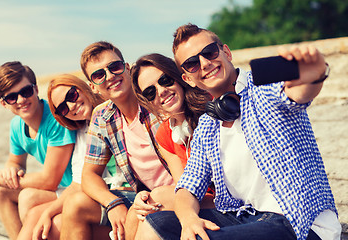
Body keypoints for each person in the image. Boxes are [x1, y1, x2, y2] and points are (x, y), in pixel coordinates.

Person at [144, 23, 342, 240]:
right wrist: (189, 219)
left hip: (299, 222)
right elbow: (187, 188)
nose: (204, 63)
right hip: (248, 218)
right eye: (191, 64)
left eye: (209, 52)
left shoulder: (263, 89)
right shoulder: (207, 128)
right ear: (188, 79)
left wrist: (315, 75)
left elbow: (299, 93)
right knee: (157, 222)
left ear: (226, 52)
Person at [59, 41, 174, 240]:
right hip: (145, 196)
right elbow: (89, 176)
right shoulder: (102, 116)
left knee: (134, 217)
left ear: (127, 68)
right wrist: (112, 203)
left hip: (177, 193)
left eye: (114, 67)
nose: (110, 76)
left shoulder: (155, 97)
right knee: (76, 204)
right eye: (98, 75)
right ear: (93, 87)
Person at [16, 74, 128, 240]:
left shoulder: (114, 113)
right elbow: (78, 183)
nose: (71, 106)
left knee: (59, 222)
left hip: (122, 195)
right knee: (36, 214)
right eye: (63, 108)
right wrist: (48, 212)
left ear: (83, 87)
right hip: (104, 196)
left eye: (72, 95)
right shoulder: (84, 130)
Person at [130, 53, 214, 239]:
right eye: (150, 92)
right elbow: (183, 185)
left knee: (155, 199)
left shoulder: (213, 107)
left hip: (229, 199)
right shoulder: (166, 133)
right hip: (196, 200)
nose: (161, 91)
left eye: (165, 80)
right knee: (138, 209)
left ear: (178, 77)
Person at [0, 62, 76, 240]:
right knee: (0, 191)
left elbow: (50, 180)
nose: (21, 100)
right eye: (12, 97)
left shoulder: (55, 118)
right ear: (4, 103)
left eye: (25, 91)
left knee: (28, 197)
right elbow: (16, 162)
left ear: (36, 89)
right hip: (59, 189)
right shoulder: (17, 125)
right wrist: (9, 170)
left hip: (75, 189)